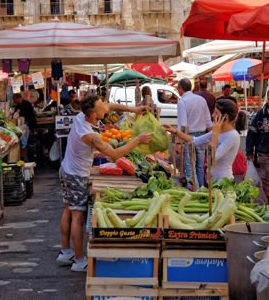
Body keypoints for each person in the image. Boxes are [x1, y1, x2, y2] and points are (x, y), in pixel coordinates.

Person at [57, 94, 151, 272]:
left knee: (69, 208)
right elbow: (114, 155)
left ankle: (65, 252)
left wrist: (134, 109)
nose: (106, 110)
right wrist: (137, 140)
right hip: (76, 175)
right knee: (77, 215)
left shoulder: (81, 115)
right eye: (102, 109)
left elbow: (113, 105)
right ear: (93, 114)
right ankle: (78, 261)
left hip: (67, 169)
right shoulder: (89, 136)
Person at [164, 98, 240, 181]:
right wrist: (175, 132)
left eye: (216, 113)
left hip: (223, 181)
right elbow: (195, 141)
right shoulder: (218, 131)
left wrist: (214, 134)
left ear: (225, 117)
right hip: (212, 180)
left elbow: (211, 159)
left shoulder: (233, 136)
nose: (213, 115)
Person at [177, 77, 213, 187]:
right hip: (203, 136)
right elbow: (208, 121)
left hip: (190, 137)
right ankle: (201, 189)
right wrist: (213, 139)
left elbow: (183, 125)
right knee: (200, 166)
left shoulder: (182, 101)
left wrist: (179, 142)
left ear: (181, 88)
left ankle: (194, 191)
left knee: (190, 166)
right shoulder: (201, 100)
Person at [12, 92, 37, 159]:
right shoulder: (18, 105)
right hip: (23, 124)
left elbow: (30, 116)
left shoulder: (27, 104)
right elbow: (15, 114)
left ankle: (25, 155)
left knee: (24, 140)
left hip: (27, 124)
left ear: (18, 98)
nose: (14, 101)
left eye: (15, 99)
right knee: (24, 140)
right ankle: (24, 155)